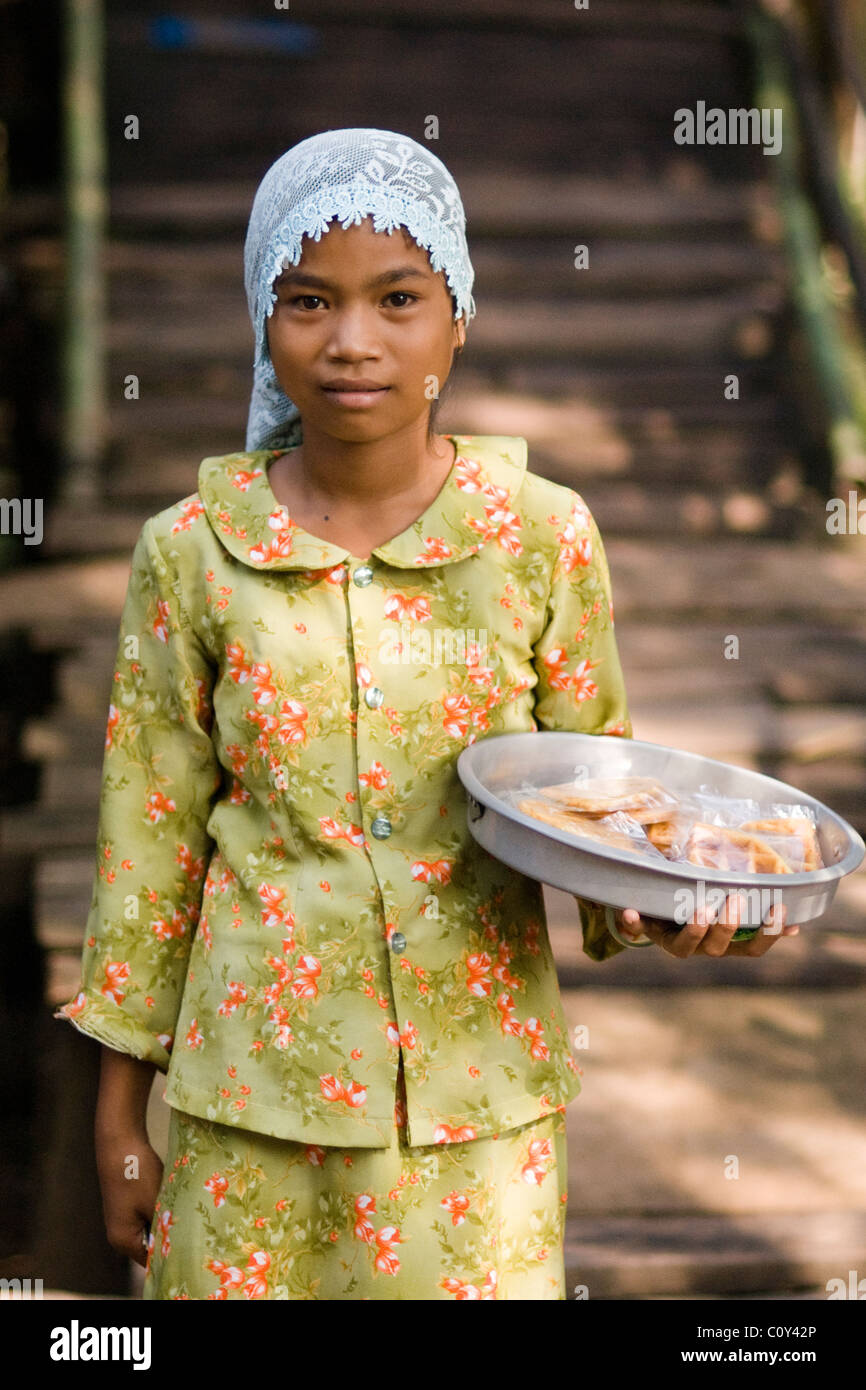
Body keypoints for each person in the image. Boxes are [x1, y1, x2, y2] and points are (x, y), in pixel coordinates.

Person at [54, 128, 800, 1301]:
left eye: (397, 298)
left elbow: (599, 807)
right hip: (246, 1110)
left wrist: (688, 905)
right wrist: (115, 1117)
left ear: (456, 317)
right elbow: (144, 854)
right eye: (307, 300)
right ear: (262, 316)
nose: (352, 341)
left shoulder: (540, 537)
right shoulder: (189, 556)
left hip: (478, 1124)